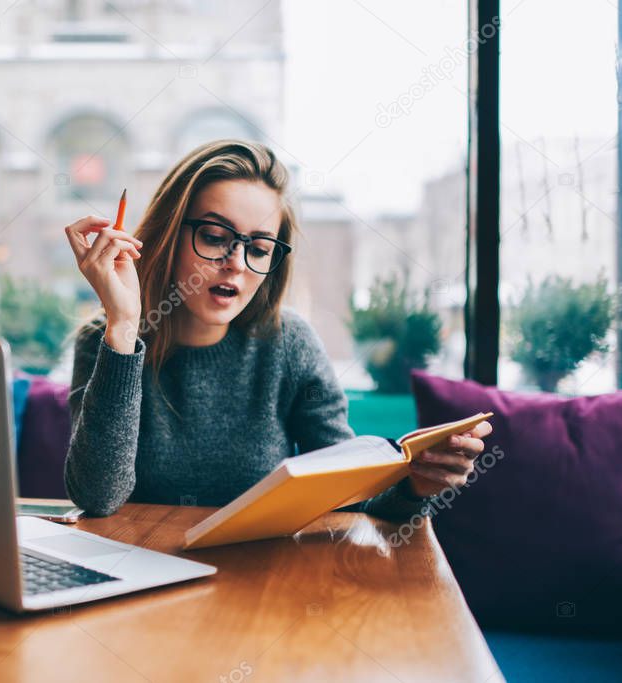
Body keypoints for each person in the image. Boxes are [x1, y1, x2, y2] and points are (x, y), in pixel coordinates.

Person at [62, 139, 491, 517]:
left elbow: (350, 496)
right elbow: (100, 497)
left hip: (260, 585)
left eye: (260, 247)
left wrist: (415, 485)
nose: (235, 261)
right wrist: (122, 328)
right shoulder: (107, 341)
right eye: (213, 236)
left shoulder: (289, 344)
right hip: (141, 581)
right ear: (169, 235)